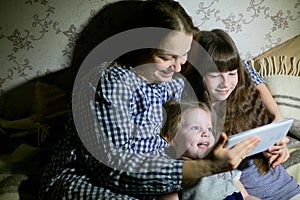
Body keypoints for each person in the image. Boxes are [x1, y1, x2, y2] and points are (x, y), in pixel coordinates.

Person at [39, 1, 260, 199]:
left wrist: (273, 123)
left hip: (158, 177)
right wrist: (203, 168)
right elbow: (112, 169)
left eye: (184, 54)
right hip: (90, 178)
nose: (178, 66)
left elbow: (234, 65)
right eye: (166, 57)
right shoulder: (107, 83)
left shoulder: (174, 81)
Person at [183, 29, 300, 200]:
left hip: (288, 188)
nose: (226, 83)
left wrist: (276, 146)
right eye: (215, 75)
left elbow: (249, 74)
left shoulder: (244, 100)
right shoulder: (193, 117)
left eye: (232, 74)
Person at [160, 100, 260, 200]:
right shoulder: (173, 173)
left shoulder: (222, 162)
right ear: (172, 138)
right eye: (196, 128)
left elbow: (246, 196)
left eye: (209, 129)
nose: (206, 133)